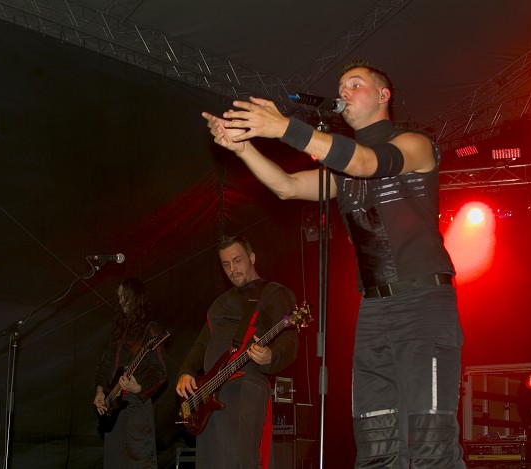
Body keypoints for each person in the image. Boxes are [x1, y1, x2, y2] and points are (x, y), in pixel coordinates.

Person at [201, 61, 465, 468]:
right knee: (376, 443)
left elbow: (367, 163)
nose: (343, 91)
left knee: (430, 442)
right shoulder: (342, 172)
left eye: (355, 84)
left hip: (423, 301)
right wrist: (243, 148)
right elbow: (288, 187)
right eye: (341, 85)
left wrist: (284, 127)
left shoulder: (415, 143)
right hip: (374, 309)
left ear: (383, 95)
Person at [175, 235, 299, 469]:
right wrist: (186, 372)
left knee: (239, 460)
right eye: (226, 264)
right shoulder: (219, 303)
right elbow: (200, 344)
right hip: (208, 393)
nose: (232, 269)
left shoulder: (274, 294)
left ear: (252, 258)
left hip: (245, 384)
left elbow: (289, 339)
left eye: (237, 260)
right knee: (208, 462)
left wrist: (271, 356)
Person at [93, 277, 167, 469]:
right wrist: (100, 391)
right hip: (113, 409)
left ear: (137, 297)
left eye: (125, 297)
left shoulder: (150, 329)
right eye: (119, 298)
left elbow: (160, 373)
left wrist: (139, 387)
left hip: (136, 406)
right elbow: (104, 365)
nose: (122, 302)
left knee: (139, 462)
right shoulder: (117, 331)